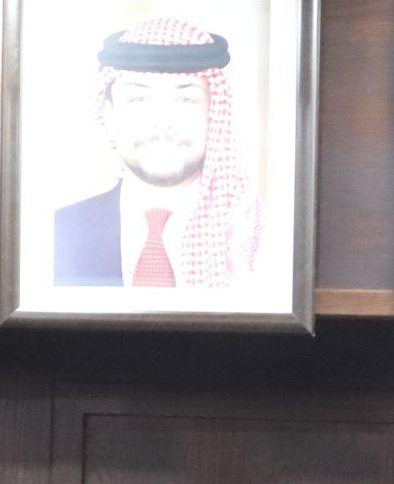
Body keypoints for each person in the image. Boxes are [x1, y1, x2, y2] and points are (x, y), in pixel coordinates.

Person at [52, 16, 263, 289]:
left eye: (185, 99)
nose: (163, 121)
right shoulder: (58, 233)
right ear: (110, 116)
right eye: (139, 99)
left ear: (214, 114)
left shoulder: (260, 236)